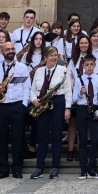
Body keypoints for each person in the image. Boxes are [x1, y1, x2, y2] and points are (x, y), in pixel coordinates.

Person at [0, 41, 29, 180]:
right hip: (1, 106)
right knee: (2, 138)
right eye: (7, 49)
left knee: (18, 138)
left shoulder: (22, 68)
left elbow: (26, 88)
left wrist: (23, 105)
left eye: (12, 49)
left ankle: (17, 168)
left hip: (17, 106)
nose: (11, 51)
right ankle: (3, 168)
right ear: (1, 51)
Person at [29, 47, 71, 179]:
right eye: (50, 55)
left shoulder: (63, 70)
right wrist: (33, 100)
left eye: (55, 55)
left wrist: (67, 108)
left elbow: (68, 90)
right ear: (45, 58)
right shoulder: (39, 71)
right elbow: (32, 90)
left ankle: (55, 167)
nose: (53, 58)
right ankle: (39, 167)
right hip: (42, 103)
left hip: (57, 102)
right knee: (41, 136)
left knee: (57, 135)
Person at [72, 53, 98, 179]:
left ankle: (92, 167)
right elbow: (74, 99)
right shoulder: (78, 79)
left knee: (96, 139)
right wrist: (80, 93)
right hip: (81, 110)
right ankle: (83, 169)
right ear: (83, 66)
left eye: (91, 64)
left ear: (95, 65)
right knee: (83, 140)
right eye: (87, 65)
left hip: (94, 109)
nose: (89, 67)